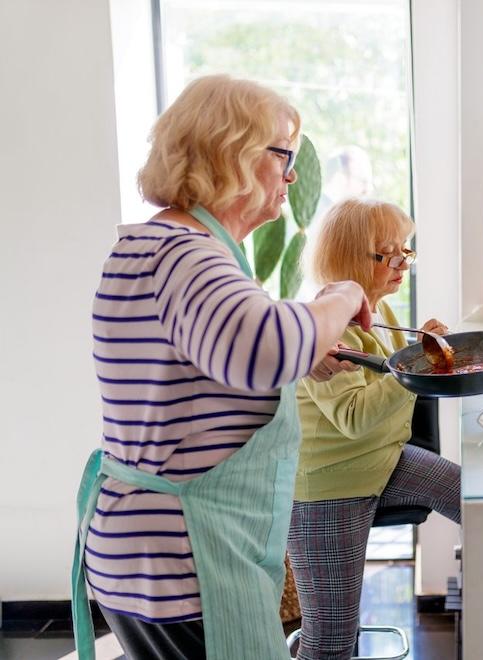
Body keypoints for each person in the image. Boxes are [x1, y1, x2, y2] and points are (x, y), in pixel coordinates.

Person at [71, 74, 373, 660]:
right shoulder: (186, 255)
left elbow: (203, 370)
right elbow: (265, 348)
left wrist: (307, 358)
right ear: (232, 153)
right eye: (283, 154)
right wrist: (339, 295)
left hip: (143, 557)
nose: (291, 175)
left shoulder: (155, 246)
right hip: (186, 565)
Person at [287, 198, 462, 660]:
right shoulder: (327, 328)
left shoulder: (381, 317)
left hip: (383, 461)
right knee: (330, 640)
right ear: (350, 259)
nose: (403, 263)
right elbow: (354, 418)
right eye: (390, 254)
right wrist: (415, 367)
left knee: (473, 499)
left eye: (407, 251)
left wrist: (421, 351)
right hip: (330, 486)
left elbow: (393, 385)